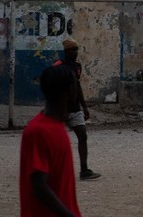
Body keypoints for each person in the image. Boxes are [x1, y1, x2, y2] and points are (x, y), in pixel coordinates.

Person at [20, 65, 82, 217]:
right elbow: (39, 186)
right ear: (68, 91)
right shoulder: (39, 131)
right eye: (75, 84)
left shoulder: (56, 125)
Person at [53, 39, 100, 180]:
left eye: (76, 50)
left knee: (83, 136)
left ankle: (84, 170)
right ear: (66, 51)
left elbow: (77, 87)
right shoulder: (58, 66)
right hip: (60, 110)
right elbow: (54, 90)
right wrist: (61, 109)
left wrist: (84, 106)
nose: (75, 53)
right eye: (72, 50)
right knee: (55, 141)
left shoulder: (77, 67)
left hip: (74, 108)